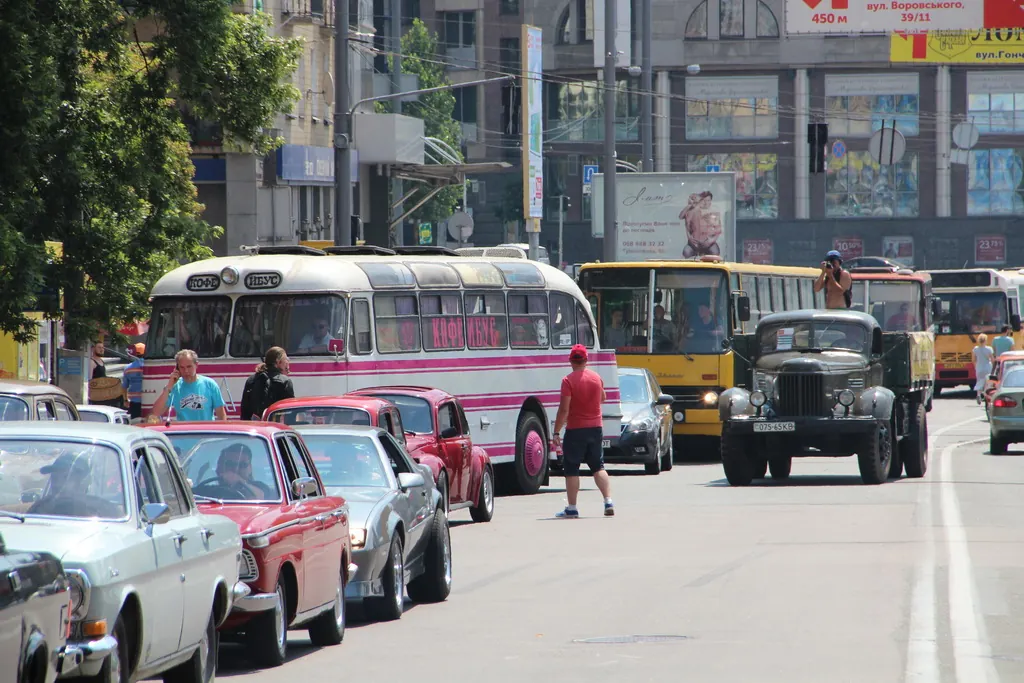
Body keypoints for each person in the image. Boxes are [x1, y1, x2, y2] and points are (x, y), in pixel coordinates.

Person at [551, 344, 614, 518]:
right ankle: (608, 501)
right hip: (596, 428)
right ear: (586, 360)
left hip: (575, 429)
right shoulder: (596, 377)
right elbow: (603, 398)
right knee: (598, 466)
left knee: (572, 468)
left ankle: (572, 508)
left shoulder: (568, 381)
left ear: (571, 361)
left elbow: (564, 409)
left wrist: (556, 432)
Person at [150, 349, 227, 421]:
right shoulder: (175, 387)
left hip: (206, 429)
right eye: (182, 367)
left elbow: (221, 415)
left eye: (189, 367)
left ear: (196, 365)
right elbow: (156, 413)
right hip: (185, 429)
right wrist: (169, 386)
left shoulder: (210, 384)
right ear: (177, 368)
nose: (186, 371)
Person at [240, 347, 295, 421]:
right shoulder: (285, 382)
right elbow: (290, 412)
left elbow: (244, 411)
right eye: (286, 360)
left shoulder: (251, 380)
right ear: (278, 362)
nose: (288, 363)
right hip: (275, 425)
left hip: (255, 425)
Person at [121, 343, 146, 420]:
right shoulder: (150, 366)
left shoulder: (128, 368)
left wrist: (125, 400)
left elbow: (124, 387)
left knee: (135, 423)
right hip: (149, 401)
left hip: (134, 403)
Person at [973, 333, 995, 404]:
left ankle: (978, 394)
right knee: (988, 382)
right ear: (985, 340)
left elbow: (973, 360)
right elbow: (992, 360)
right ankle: (986, 396)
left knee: (979, 381)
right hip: (987, 367)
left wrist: (975, 367)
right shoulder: (989, 349)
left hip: (979, 367)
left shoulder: (975, 349)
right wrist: (994, 368)